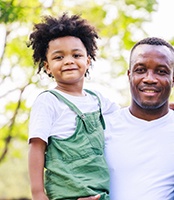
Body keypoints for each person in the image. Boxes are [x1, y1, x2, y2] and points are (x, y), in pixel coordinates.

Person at [78, 37, 174, 200]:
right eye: (140, 70)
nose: (150, 79)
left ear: (173, 79)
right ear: (129, 75)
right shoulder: (103, 127)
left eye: (161, 71)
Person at [27, 13, 119, 200]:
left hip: (101, 194)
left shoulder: (97, 99)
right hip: (66, 195)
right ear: (47, 66)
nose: (68, 61)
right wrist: (38, 193)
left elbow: (128, 114)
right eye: (59, 57)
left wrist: (161, 109)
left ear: (87, 60)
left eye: (76, 55)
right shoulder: (48, 101)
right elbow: (36, 146)